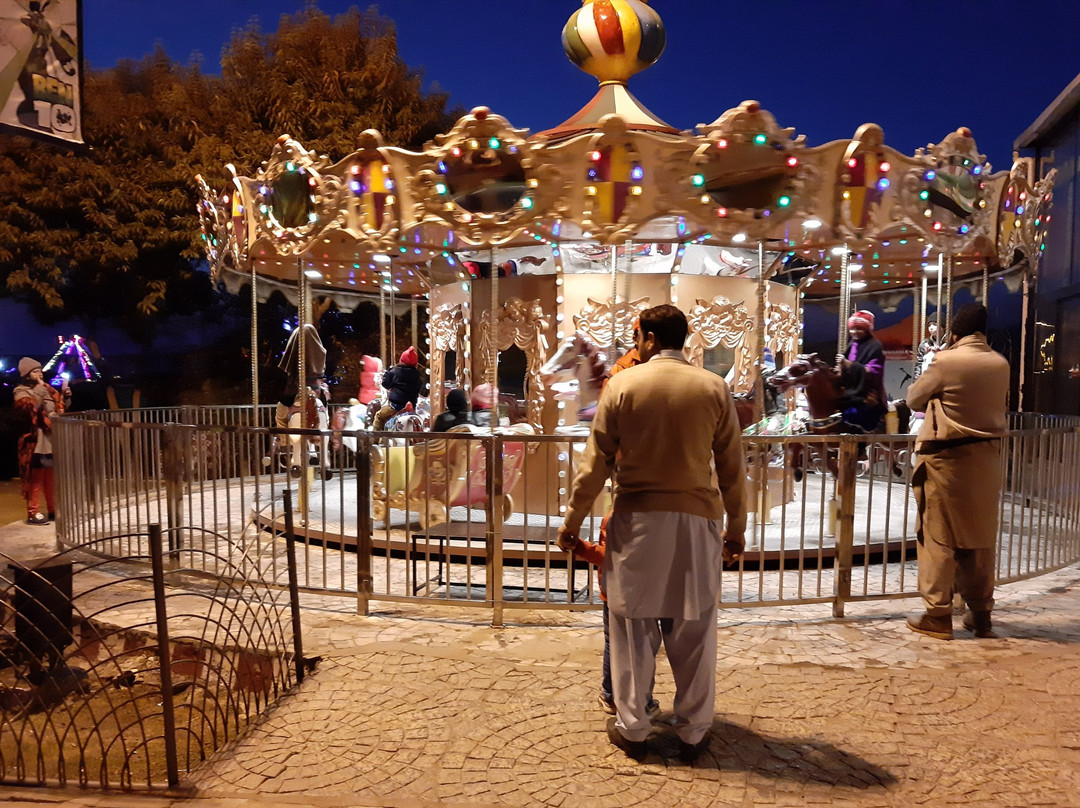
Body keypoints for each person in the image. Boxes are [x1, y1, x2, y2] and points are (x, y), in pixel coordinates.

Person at [557, 304, 747, 762]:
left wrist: (572, 521)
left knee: (632, 627)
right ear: (684, 339)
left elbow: (595, 463)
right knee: (695, 628)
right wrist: (736, 529)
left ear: (644, 338)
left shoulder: (622, 385)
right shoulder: (713, 387)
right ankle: (694, 731)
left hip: (638, 521)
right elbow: (732, 467)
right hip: (696, 521)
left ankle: (633, 727)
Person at [904, 303, 1009, 640]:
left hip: (946, 463)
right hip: (987, 462)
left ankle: (937, 615)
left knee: (938, 536)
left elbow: (913, 399)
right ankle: (981, 615)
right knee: (979, 538)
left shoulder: (946, 361)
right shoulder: (1000, 364)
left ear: (954, 333)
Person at [13, 357, 70, 525]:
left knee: (50, 478)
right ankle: (33, 512)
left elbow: (58, 411)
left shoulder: (48, 390)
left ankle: (53, 510)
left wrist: (65, 397)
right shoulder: (20, 390)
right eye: (35, 371)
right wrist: (40, 390)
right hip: (35, 441)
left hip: (50, 440)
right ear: (26, 375)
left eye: (40, 370)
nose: (40, 374)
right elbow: (27, 409)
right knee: (35, 478)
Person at [836, 309, 887, 432]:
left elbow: (874, 372)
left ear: (867, 329)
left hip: (865, 395)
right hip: (849, 394)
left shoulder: (875, 346)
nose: (854, 332)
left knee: (852, 415)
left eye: (859, 329)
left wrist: (849, 365)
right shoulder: (852, 344)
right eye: (852, 329)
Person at [275, 324, 327, 429]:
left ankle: (283, 439)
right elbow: (321, 374)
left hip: (294, 392)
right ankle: (326, 426)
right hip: (315, 392)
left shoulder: (294, 354)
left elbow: (286, 374)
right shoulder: (319, 353)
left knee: (280, 416)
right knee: (324, 408)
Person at [372, 346, 422, 431]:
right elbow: (419, 386)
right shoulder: (417, 375)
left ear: (401, 360)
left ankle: (375, 440)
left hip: (396, 407)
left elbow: (386, 384)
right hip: (411, 407)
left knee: (379, 416)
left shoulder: (395, 371)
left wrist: (388, 373)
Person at [914, 315, 942, 380]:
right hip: (927, 378)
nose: (931, 328)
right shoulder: (925, 343)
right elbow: (919, 363)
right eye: (929, 325)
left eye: (935, 324)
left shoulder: (949, 343)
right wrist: (916, 382)